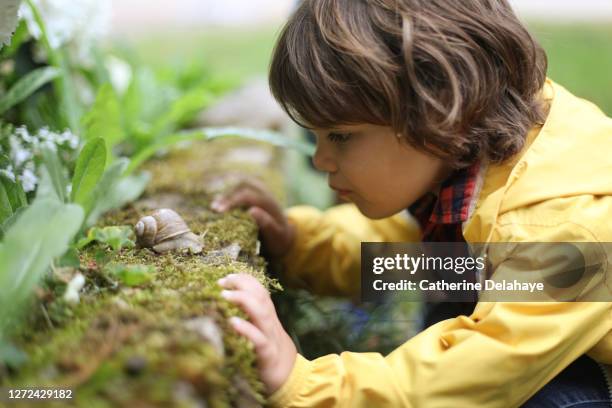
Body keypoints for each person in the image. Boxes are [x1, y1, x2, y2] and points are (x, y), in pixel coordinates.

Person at [212, 0, 612, 406]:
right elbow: (426, 262)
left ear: (438, 107)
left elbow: (479, 373)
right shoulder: (480, 148)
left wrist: (305, 382)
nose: (320, 160)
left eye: (341, 136)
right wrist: (300, 243)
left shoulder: (564, 228)